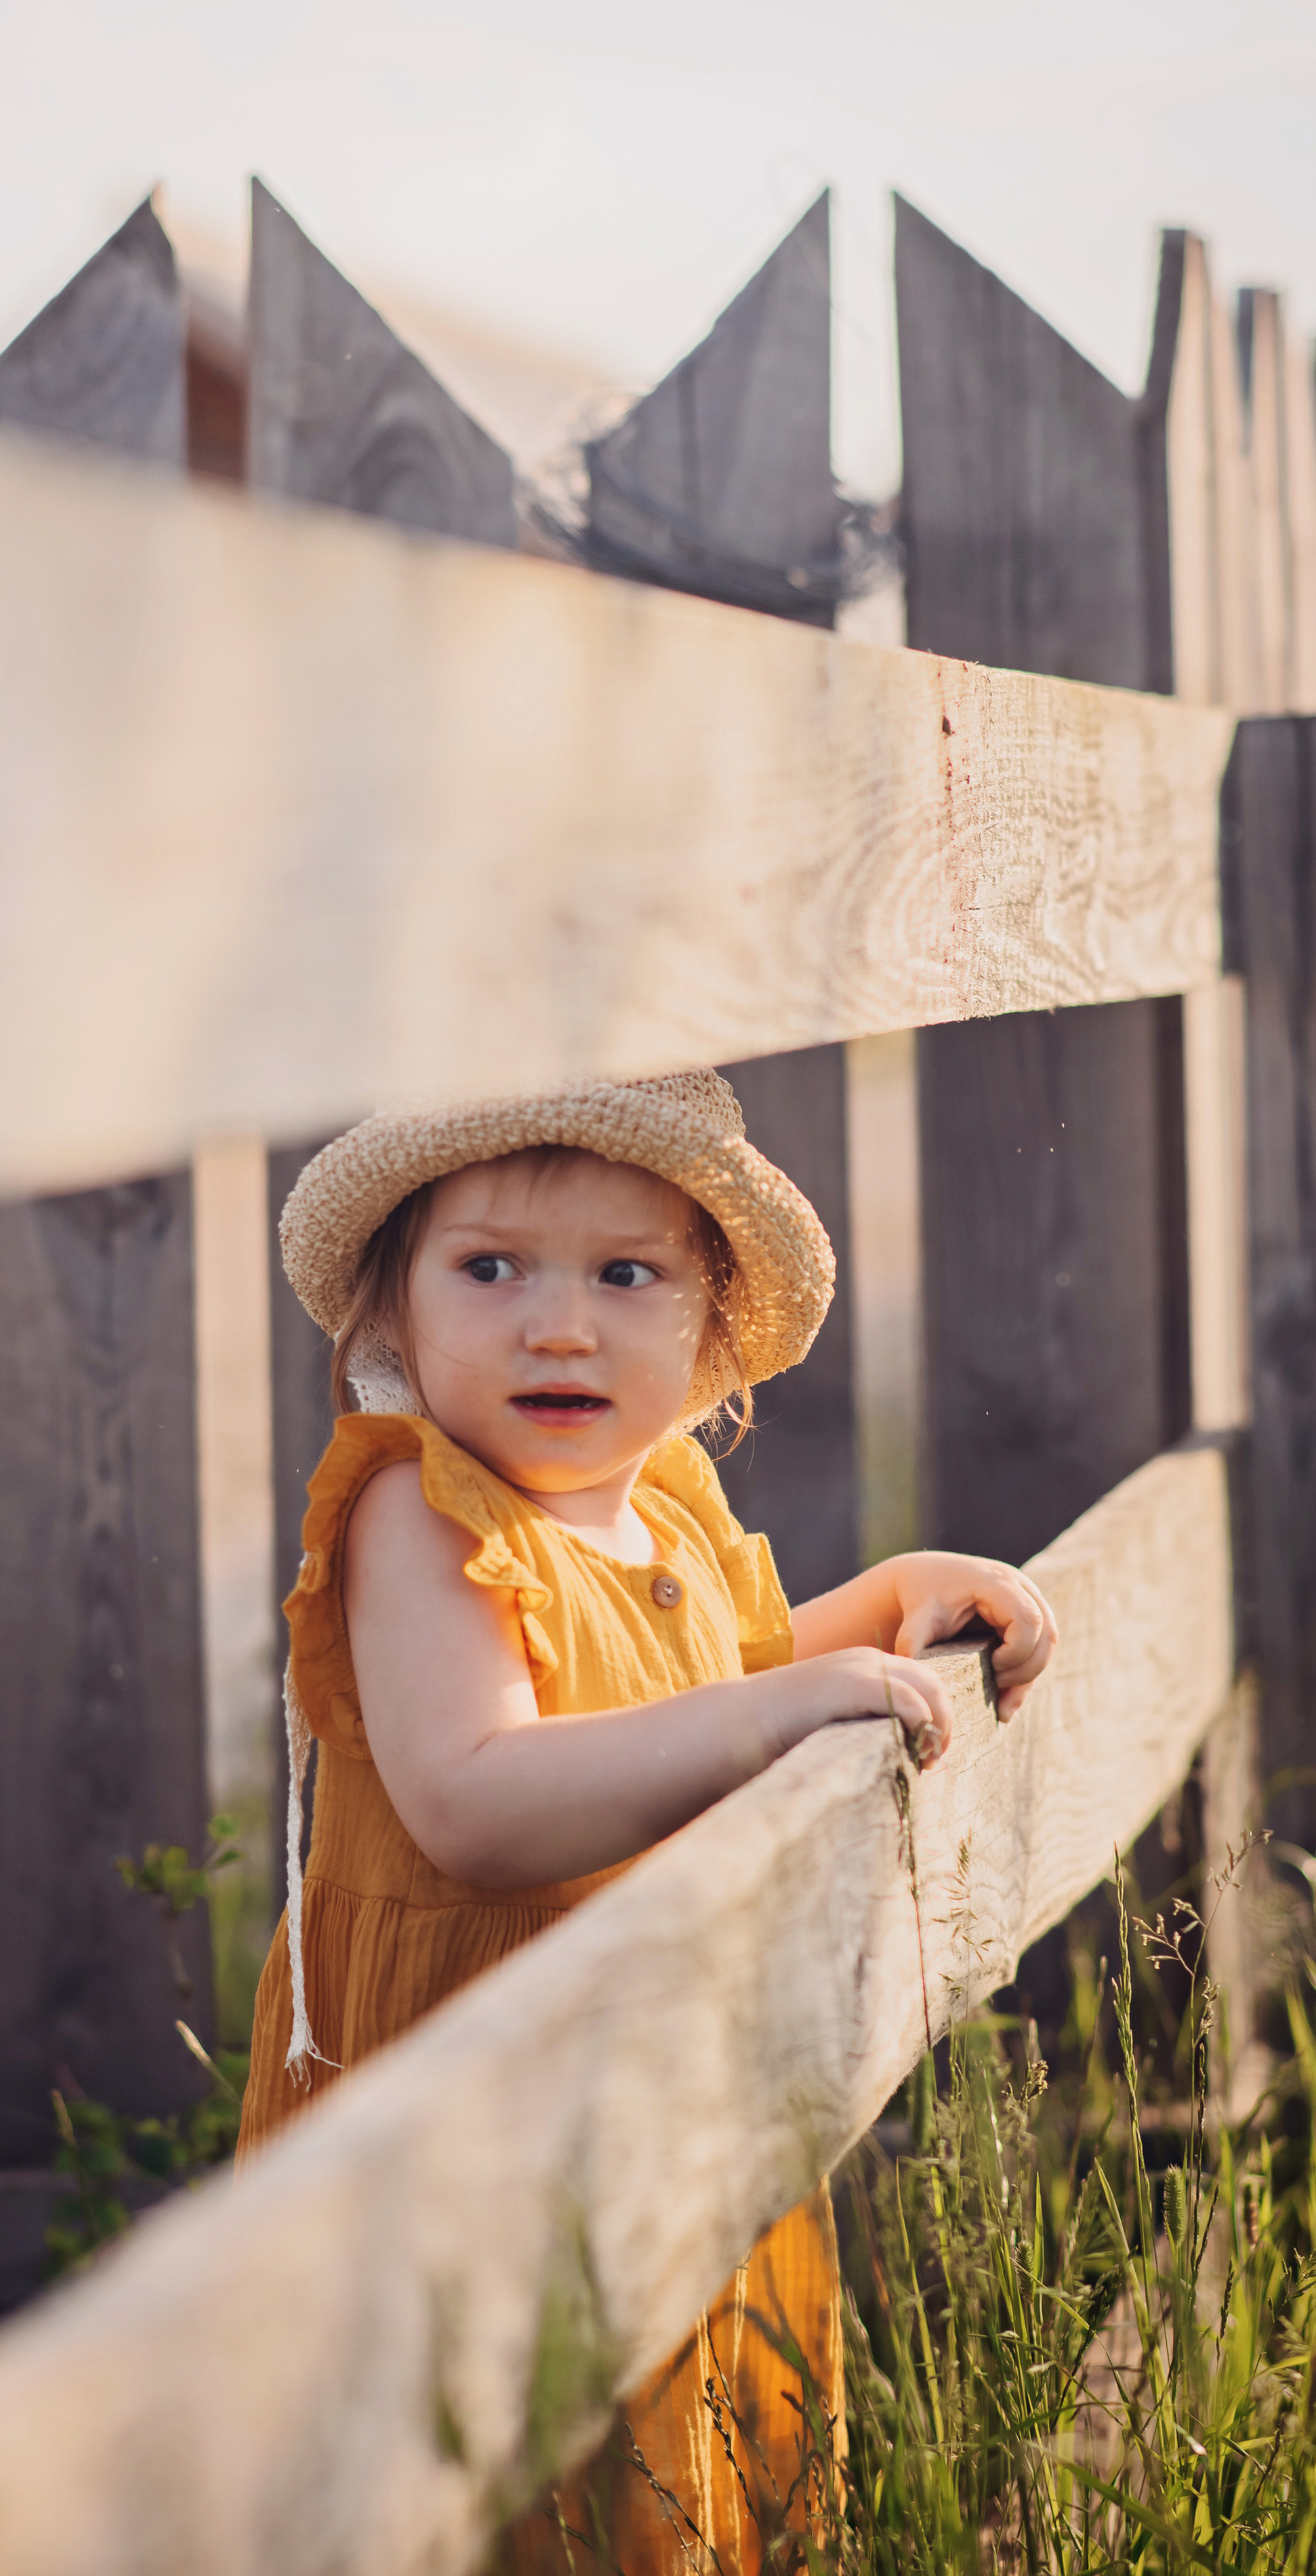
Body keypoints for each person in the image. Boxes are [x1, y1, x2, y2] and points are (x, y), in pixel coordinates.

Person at [237, 1068, 1057, 2573]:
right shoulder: (417, 1513)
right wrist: (768, 1715)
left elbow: (708, 1682)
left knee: (677, 2480)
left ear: (704, 1332)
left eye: (628, 1275)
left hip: (666, 2071)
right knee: (500, 2491)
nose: (560, 1324)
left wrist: (883, 1602)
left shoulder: (663, 1500)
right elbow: (476, 1802)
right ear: (391, 1315)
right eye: (489, 1269)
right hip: (470, 2081)